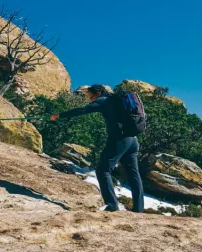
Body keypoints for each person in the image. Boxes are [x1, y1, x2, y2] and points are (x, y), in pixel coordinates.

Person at [51, 84, 144, 213]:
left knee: (103, 170)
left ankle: (112, 205)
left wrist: (59, 115)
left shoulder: (103, 100)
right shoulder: (116, 100)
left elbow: (82, 110)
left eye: (91, 96)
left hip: (120, 139)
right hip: (133, 140)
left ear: (98, 93)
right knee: (133, 173)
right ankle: (139, 209)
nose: (91, 100)